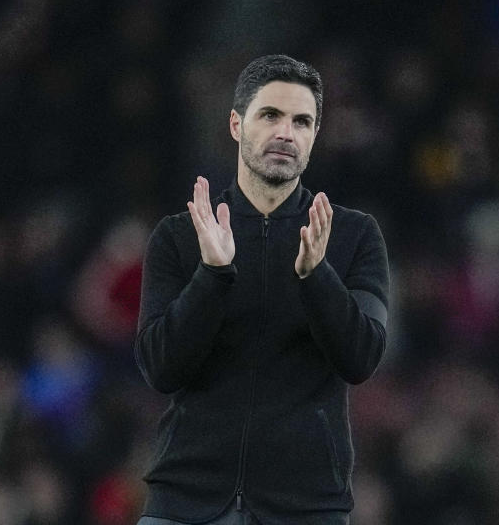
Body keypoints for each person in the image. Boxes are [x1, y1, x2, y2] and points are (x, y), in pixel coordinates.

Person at [134, 54, 390, 525]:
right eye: (270, 115)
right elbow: (159, 368)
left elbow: (361, 358)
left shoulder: (353, 235)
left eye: (302, 121)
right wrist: (211, 275)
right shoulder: (182, 235)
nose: (285, 133)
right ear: (236, 124)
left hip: (307, 507)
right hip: (186, 503)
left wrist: (317, 275)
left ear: (315, 135)